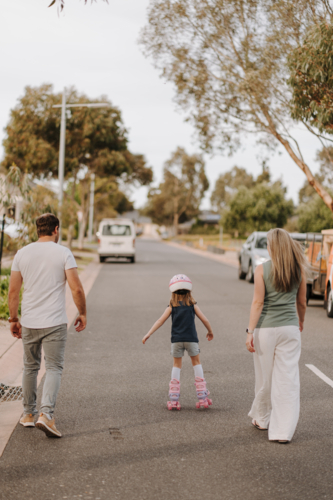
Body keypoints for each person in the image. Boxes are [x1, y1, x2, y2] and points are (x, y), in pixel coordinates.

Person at [8, 213, 87, 438]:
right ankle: (47, 415)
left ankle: (27, 415)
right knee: (53, 368)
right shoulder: (63, 252)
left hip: (30, 322)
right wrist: (82, 313)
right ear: (56, 230)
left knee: (30, 367)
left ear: (37, 230)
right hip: (54, 322)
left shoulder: (22, 253)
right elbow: (77, 289)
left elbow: (14, 291)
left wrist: (14, 319)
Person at [246, 228, 307, 443]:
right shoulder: (298, 270)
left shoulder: (262, 269)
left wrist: (250, 331)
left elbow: (258, 302)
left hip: (265, 329)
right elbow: (301, 303)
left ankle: (262, 419)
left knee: (265, 376)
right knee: (287, 380)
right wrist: (300, 321)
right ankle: (282, 432)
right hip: (290, 328)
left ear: (272, 247)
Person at [142, 274, 214, 410]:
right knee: (196, 364)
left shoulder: (172, 306)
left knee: (176, 366)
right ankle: (202, 397)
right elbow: (205, 319)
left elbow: (160, 320)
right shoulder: (193, 305)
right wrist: (210, 331)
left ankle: (174, 400)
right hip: (191, 339)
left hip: (176, 341)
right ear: (189, 291)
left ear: (172, 292)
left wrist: (149, 333)